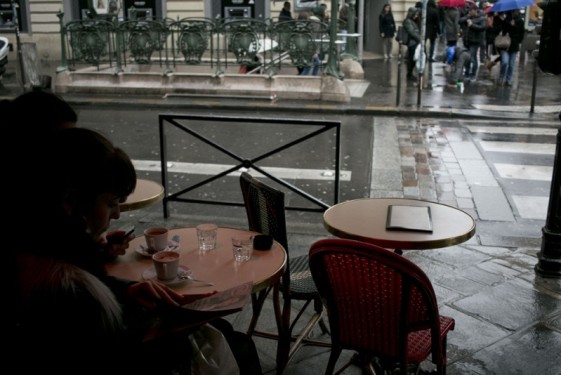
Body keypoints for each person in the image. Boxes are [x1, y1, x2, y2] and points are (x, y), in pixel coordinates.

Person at [10, 128, 263, 375]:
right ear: (69, 201)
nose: (117, 214)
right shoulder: (63, 288)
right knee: (236, 344)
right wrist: (174, 332)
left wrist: (126, 290)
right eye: (110, 204)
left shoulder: (50, 249)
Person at [497, 9, 524, 86]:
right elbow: (504, 31)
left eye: (517, 11)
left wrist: (514, 26)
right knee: (505, 62)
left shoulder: (520, 21)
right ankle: (501, 77)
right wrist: (507, 24)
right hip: (505, 45)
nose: (516, 12)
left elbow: (521, 33)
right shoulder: (506, 20)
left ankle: (508, 79)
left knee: (511, 64)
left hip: (514, 45)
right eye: (515, 11)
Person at [459, 3, 486, 81]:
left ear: (475, 10)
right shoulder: (468, 17)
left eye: (471, 10)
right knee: (467, 57)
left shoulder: (481, 18)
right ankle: (466, 73)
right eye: (469, 10)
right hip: (467, 40)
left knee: (473, 58)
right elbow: (460, 21)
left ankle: (473, 74)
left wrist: (472, 25)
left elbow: (482, 28)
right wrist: (467, 17)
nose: (470, 12)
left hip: (475, 41)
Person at [404, 7, 421, 82]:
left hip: (415, 42)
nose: (416, 16)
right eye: (415, 14)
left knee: (413, 58)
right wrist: (420, 39)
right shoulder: (408, 21)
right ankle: (409, 73)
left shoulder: (413, 21)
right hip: (412, 42)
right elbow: (412, 32)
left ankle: (410, 73)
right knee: (411, 58)